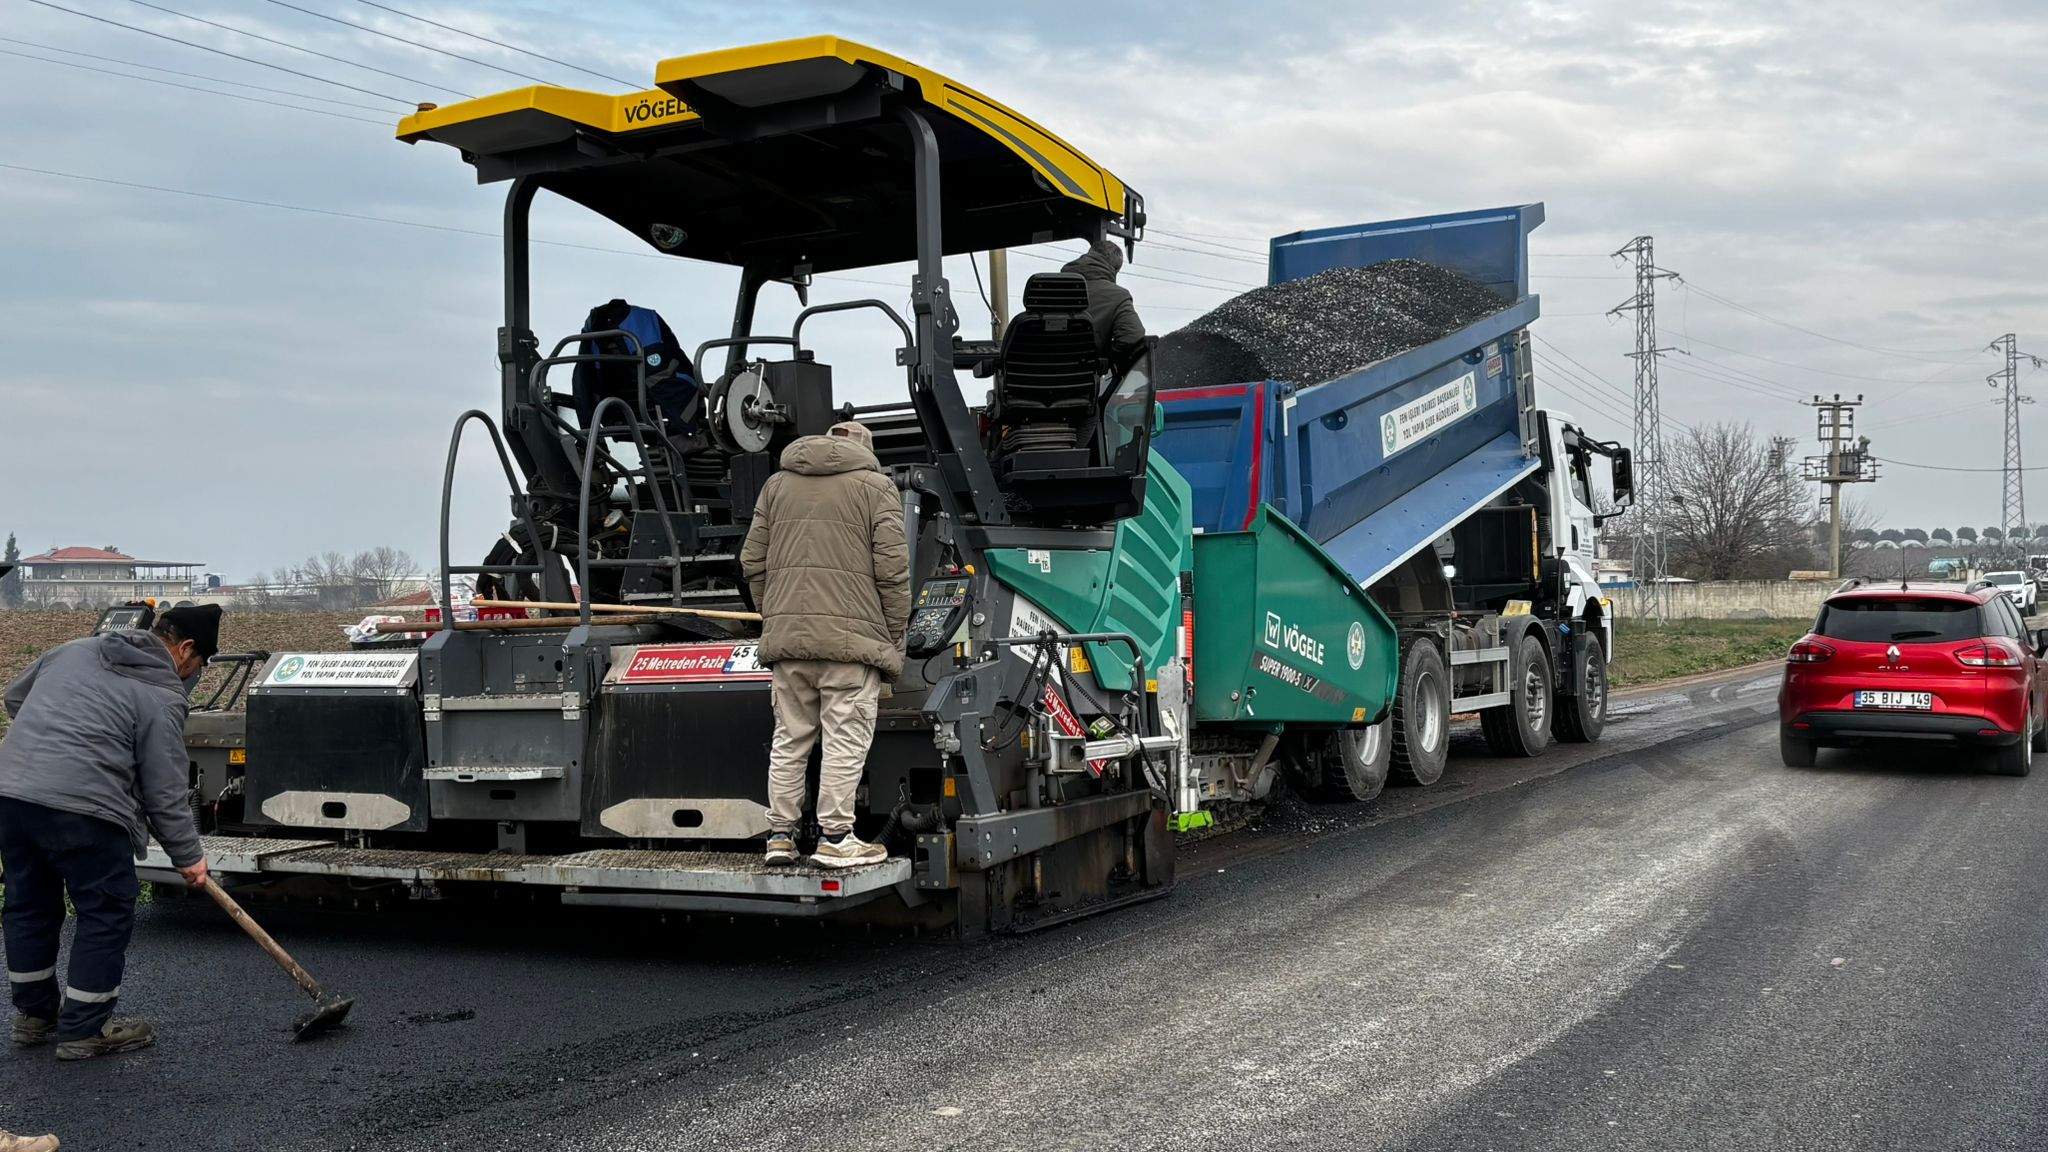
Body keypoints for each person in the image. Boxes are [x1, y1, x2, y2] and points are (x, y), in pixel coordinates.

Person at [0, 605, 216, 1062]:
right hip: (86, 811)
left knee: (28, 905)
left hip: (12, 796)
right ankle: (84, 1030)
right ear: (186, 648)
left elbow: (16, 698)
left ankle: (35, 1018)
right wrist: (188, 856)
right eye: (198, 665)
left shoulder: (74, 650)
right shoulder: (161, 696)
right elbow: (164, 790)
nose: (193, 675)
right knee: (105, 910)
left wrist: (55, 740)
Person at [740, 421, 911, 869]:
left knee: (790, 738)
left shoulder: (777, 485)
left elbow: (752, 560)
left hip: (788, 644)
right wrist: (893, 632)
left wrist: (774, 614)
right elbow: (892, 569)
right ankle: (836, 838)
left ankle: (780, 836)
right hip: (850, 645)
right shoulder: (876, 488)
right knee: (844, 739)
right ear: (867, 452)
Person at [1060, 238, 1148, 367]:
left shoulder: (1051, 285)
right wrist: (1107, 359)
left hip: (1033, 370)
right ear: (1115, 270)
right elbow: (1132, 335)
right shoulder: (1119, 296)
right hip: (1081, 373)